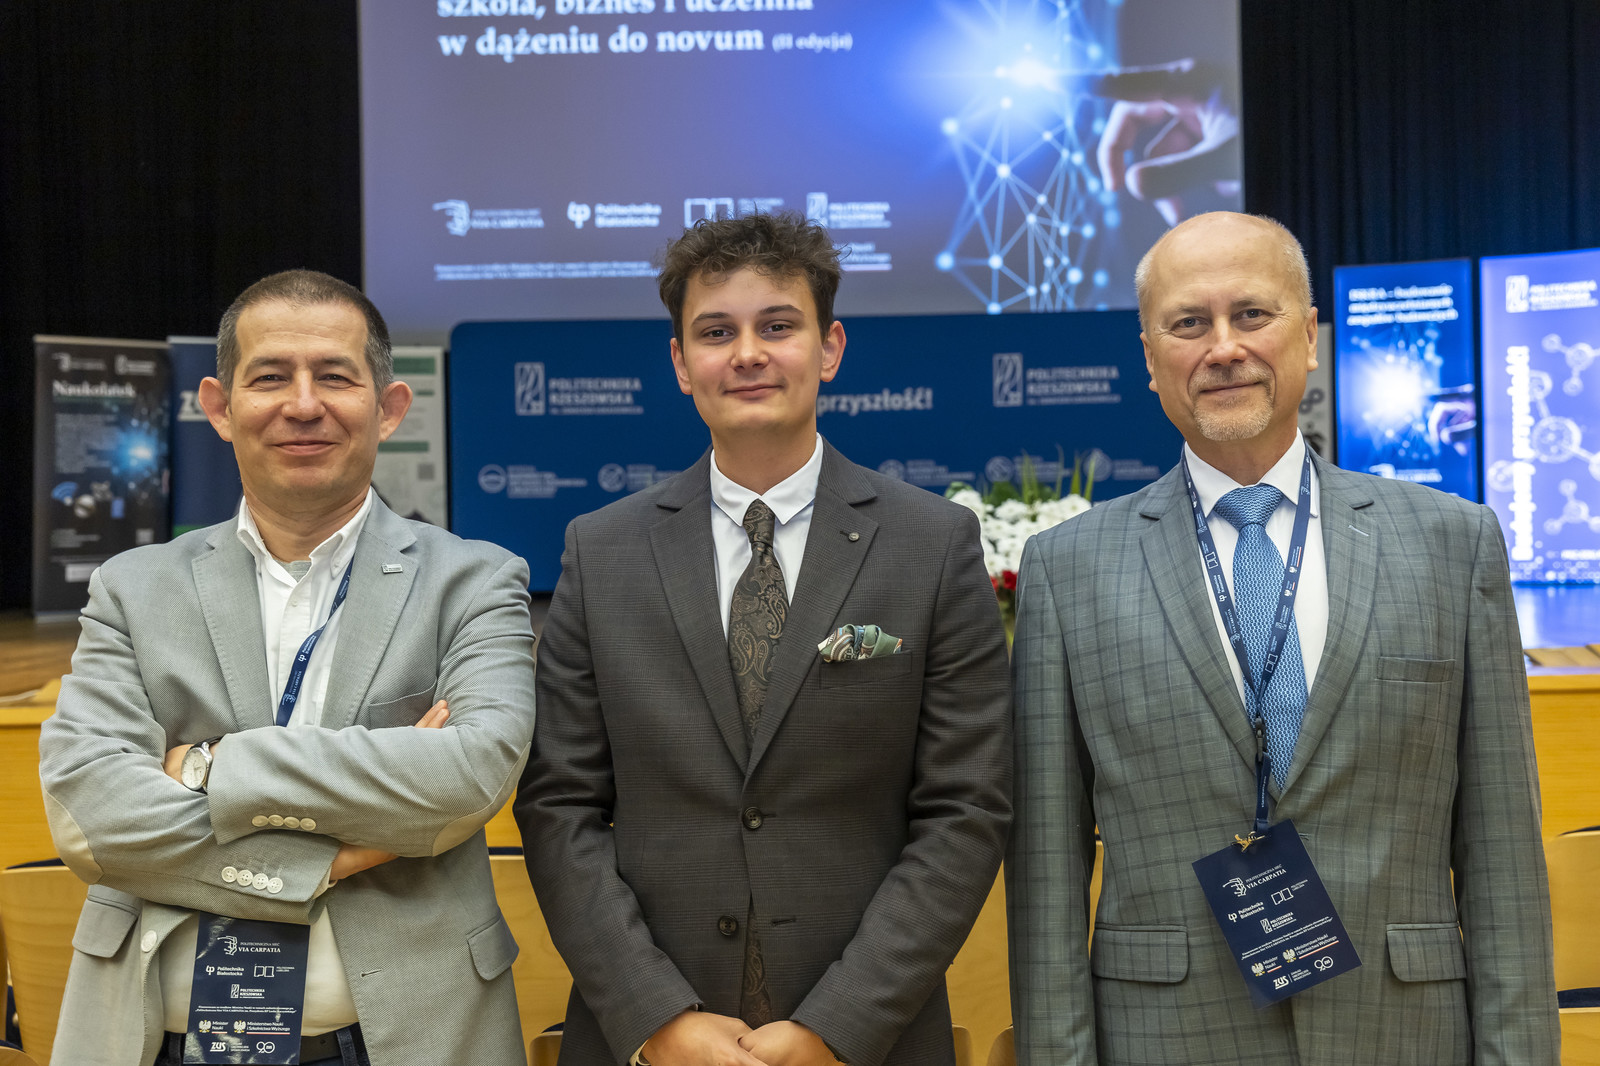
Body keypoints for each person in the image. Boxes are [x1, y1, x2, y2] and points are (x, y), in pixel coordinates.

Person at [1007, 212, 1559, 1064]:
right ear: (1150, 359)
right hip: (1168, 1039)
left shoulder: (1453, 543)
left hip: (1402, 1036)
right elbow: (1046, 873)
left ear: (1308, 337)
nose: (1223, 347)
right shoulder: (1066, 570)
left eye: (1252, 314)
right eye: (1189, 323)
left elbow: (1503, 852)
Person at [516, 213, 1012, 1066]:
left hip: (869, 1041)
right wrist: (657, 1018)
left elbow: (965, 810)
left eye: (778, 326)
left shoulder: (932, 545)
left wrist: (837, 1027)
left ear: (830, 348)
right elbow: (560, 807)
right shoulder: (601, 551)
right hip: (650, 1041)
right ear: (681, 363)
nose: (748, 354)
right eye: (716, 332)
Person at [39, 270, 536, 1066]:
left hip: (407, 1037)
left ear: (389, 407)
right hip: (158, 1037)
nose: (303, 405)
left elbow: (469, 775)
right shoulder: (131, 588)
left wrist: (206, 766)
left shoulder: (474, 580)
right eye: (270, 377)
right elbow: (89, 816)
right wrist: (329, 857)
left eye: (335, 376)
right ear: (218, 406)